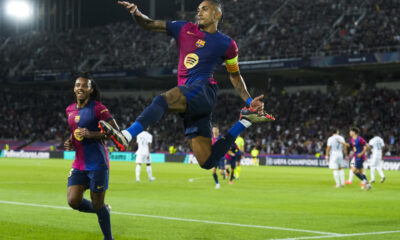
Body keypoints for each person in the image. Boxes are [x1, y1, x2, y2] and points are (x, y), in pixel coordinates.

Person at [100, 0, 274, 171]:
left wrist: (250, 100)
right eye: (198, 9)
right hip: (190, 101)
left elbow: (235, 76)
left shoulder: (228, 44)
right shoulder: (183, 28)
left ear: (217, 14)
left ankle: (127, 135)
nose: (199, 12)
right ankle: (244, 122)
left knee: (162, 100)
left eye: (205, 9)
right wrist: (136, 13)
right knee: (207, 161)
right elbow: (150, 24)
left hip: (204, 91)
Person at [64, 73, 118, 240]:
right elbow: (75, 133)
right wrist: (70, 142)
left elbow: (115, 132)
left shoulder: (99, 108)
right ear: (74, 88)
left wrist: (93, 134)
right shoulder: (69, 109)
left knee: (97, 203)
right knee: (73, 200)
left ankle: (108, 238)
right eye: (77, 85)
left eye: (84, 86)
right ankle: (103, 210)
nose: (80, 88)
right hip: (79, 163)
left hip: (97, 163)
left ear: (90, 89)